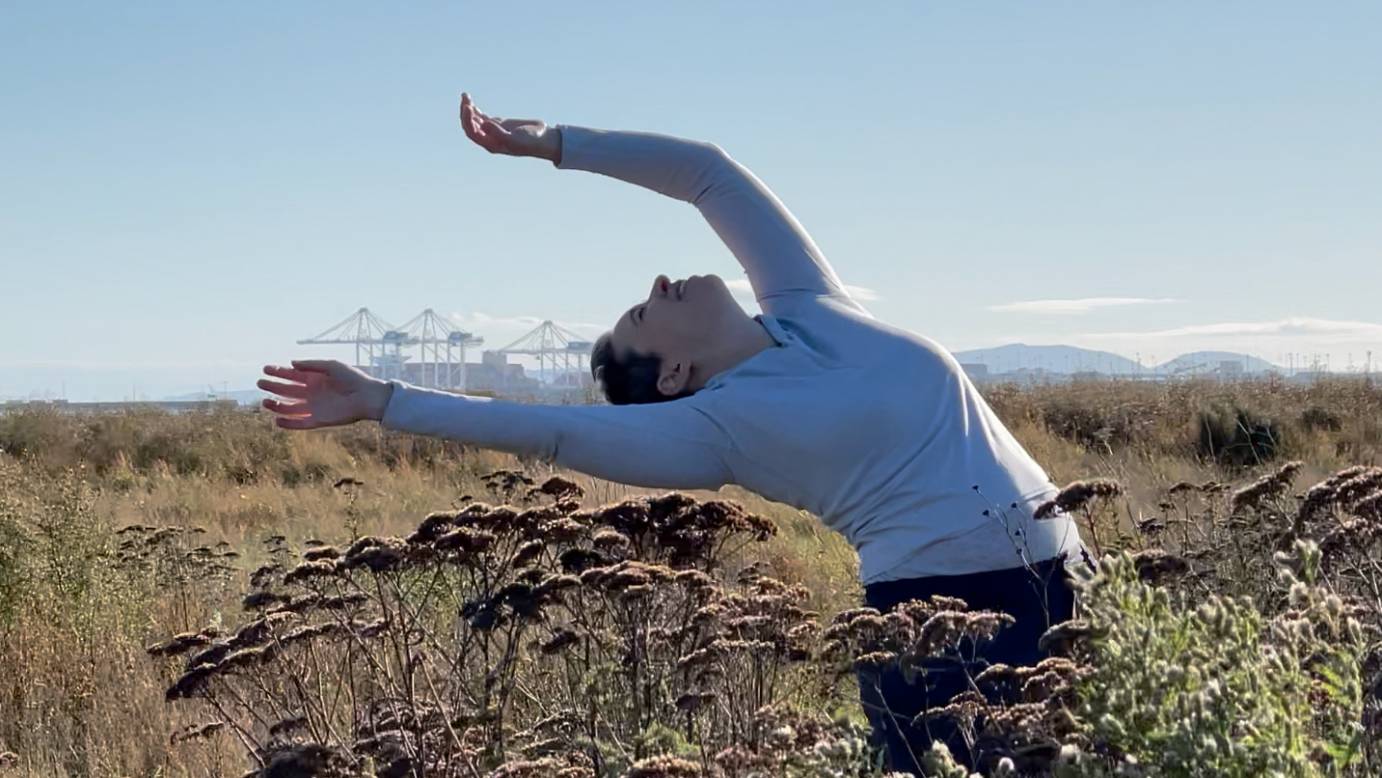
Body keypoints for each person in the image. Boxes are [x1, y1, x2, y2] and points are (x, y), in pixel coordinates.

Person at [258, 92, 1084, 771]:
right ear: (674, 376)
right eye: (645, 310)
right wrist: (385, 401)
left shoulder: (809, 305)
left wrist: (551, 145)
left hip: (1070, 575)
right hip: (940, 622)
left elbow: (707, 173)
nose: (658, 281)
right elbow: (543, 433)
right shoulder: (712, 428)